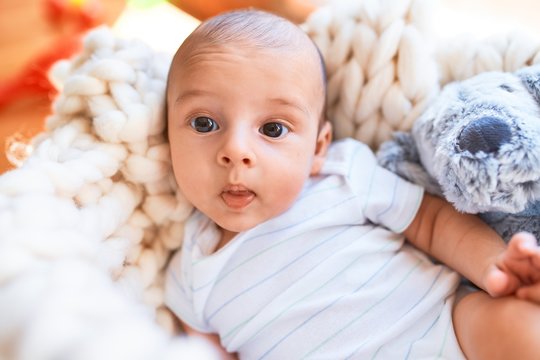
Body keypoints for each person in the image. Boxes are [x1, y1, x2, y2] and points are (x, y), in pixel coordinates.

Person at [164, 9, 540, 359]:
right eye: (204, 123)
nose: (235, 150)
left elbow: (431, 222)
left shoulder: (342, 174)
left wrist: (495, 268)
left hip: (443, 328)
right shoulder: (188, 277)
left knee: (518, 326)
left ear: (317, 148)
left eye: (273, 129)